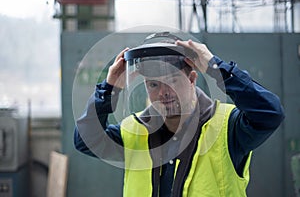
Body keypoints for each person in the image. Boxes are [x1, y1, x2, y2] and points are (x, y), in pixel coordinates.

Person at [74, 32, 285, 197]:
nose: (164, 93)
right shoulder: (134, 131)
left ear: (192, 79)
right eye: (154, 84)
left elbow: (270, 113)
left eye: (173, 80)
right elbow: (85, 141)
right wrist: (109, 89)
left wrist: (217, 69)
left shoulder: (228, 128)